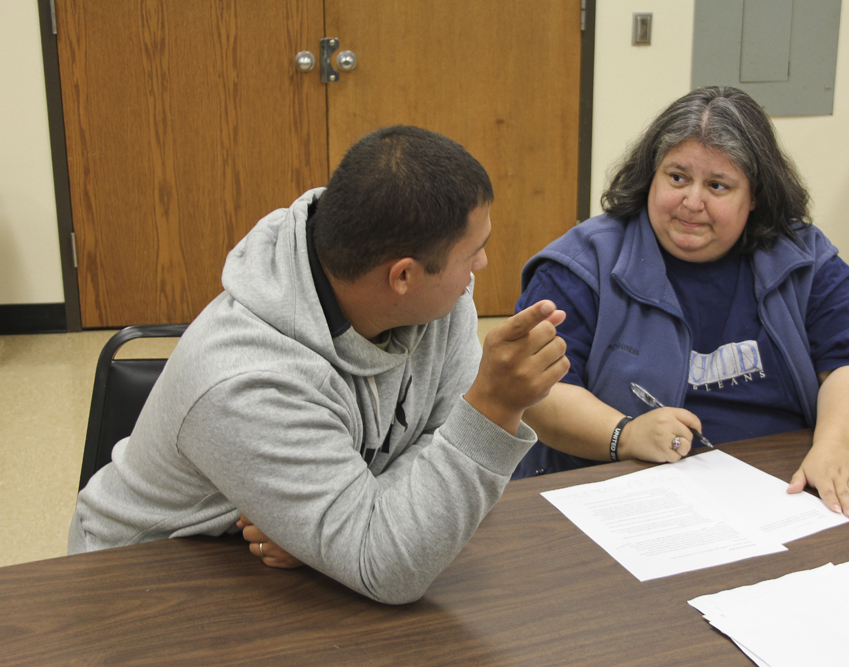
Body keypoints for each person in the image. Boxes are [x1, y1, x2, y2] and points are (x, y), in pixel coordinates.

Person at [68, 125, 569, 605]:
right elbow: (391, 566)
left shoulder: (438, 296)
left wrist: (338, 530)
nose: (480, 266)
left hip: (274, 578)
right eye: (474, 253)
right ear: (403, 276)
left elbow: (442, 464)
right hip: (144, 582)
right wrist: (492, 409)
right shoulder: (245, 381)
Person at [513, 87, 849, 519]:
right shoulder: (580, 264)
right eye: (677, 178)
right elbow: (538, 390)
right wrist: (624, 434)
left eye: (717, 185)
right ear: (651, 174)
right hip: (624, 489)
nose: (692, 202)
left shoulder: (805, 257)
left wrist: (835, 448)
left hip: (781, 486)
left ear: (755, 195)